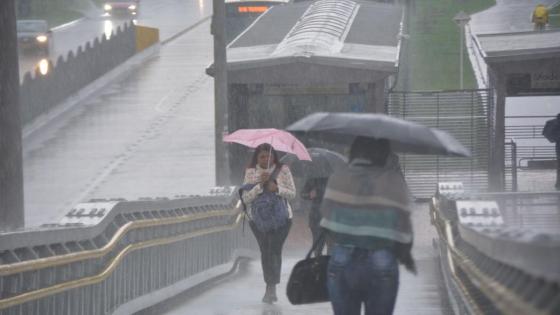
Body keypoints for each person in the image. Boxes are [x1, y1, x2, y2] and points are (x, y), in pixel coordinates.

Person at [320, 136, 416, 315]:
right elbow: (404, 232)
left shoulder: (338, 177)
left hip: (342, 259)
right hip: (382, 260)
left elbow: (326, 220)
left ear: (355, 152)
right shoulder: (393, 181)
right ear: (383, 153)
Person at [240, 143, 296, 303]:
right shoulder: (251, 172)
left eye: (269, 156)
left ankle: (271, 287)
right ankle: (269, 285)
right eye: (262, 156)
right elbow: (245, 198)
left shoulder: (283, 170)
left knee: (274, 250)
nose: (266, 159)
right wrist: (259, 186)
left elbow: (292, 194)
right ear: (256, 158)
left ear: (274, 156)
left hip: (282, 220)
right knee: (266, 251)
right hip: (258, 221)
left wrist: (276, 188)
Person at [301, 177, 329, 256]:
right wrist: (309, 195)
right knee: (317, 243)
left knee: (329, 243)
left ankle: (325, 264)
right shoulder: (312, 179)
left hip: (328, 214)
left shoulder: (331, 179)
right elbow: (302, 193)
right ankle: (318, 262)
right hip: (315, 215)